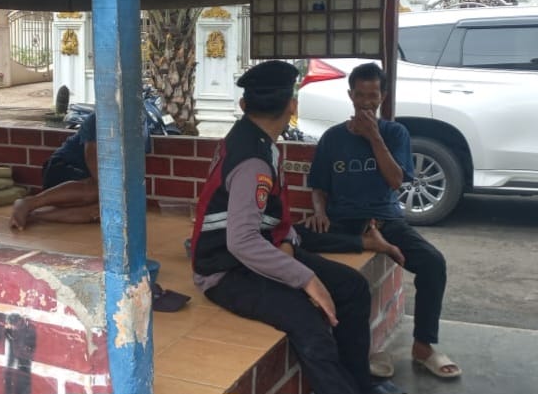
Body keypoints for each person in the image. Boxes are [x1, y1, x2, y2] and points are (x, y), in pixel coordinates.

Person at [191, 60, 401, 394]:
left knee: (352, 286)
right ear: (292, 105)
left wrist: (288, 244)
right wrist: (306, 279)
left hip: (263, 250)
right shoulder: (253, 160)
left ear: (243, 105)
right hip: (226, 270)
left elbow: (269, 216)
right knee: (309, 321)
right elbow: (241, 241)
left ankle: (359, 385)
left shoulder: (255, 139)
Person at [297, 62, 460, 380]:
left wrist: (374, 137)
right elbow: (319, 186)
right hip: (342, 221)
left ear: (382, 96)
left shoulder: (395, 133)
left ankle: (423, 346)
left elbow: (396, 180)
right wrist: (319, 212)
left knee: (433, 263)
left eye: (373, 96)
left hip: (385, 221)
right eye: (360, 96)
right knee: (295, 237)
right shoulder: (332, 138)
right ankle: (367, 243)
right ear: (350, 95)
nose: (366, 103)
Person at [9, 112, 102, 229]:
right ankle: (28, 203)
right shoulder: (99, 118)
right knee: (101, 190)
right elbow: (92, 158)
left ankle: (36, 216)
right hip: (61, 169)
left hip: (85, 179)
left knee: (102, 210)